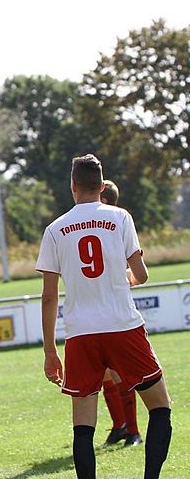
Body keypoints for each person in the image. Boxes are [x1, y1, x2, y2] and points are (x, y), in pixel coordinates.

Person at [36, 154, 180, 479]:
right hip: (122, 325)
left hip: (81, 333)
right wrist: (121, 281)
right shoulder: (121, 217)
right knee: (160, 407)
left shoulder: (55, 229)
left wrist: (51, 351)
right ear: (102, 187)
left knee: (83, 426)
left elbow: (49, 296)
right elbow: (141, 274)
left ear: (71, 187)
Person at [98, 180, 141, 447]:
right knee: (104, 375)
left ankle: (133, 430)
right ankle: (119, 426)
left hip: (114, 310)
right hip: (95, 310)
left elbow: (136, 268)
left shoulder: (116, 223)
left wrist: (126, 278)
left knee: (118, 374)